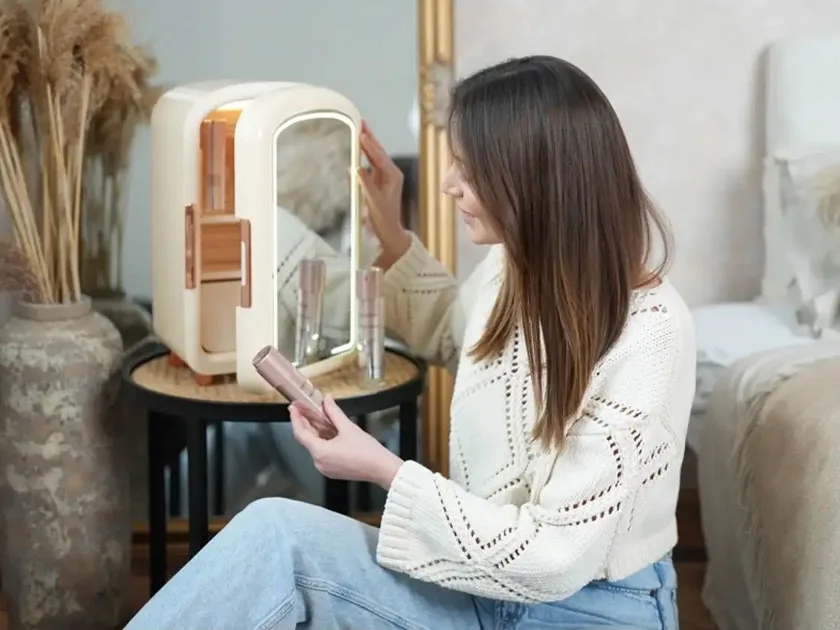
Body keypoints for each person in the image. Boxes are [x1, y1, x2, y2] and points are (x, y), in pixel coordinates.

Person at [125, 55, 695, 630]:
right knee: (277, 534)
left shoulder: (650, 332)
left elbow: (553, 560)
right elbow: (459, 336)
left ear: (532, 178)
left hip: (591, 608)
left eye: (468, 168)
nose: (448, 184)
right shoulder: (513, 269)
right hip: (477, 585)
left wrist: (385, 470)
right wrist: (392, 233)